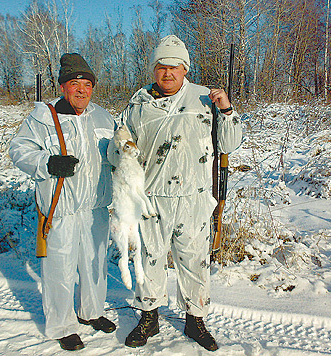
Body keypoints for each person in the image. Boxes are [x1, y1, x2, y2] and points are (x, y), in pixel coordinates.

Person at [108, 35, 242, 351]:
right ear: (154, 70)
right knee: (150, 257)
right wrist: (123, 147)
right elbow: (120, 141)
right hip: (152, 197)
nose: (168, 73)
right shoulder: (139, 102)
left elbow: (230, 144)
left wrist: (227, 110)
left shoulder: (205, 98)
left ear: (185, 69)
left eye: (175, 67)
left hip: (194, 197)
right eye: (161, 67)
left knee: (195, 260)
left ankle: (195, 321)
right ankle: (149, 316)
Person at [9, 53, 116, 351]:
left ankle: (91, 312)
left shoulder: (104, 117)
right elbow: (19, 149)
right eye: (74, 83)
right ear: (62, 86)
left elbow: (115, 153)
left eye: (87, 83)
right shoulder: (43, 117)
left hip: (95, 207)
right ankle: (62, 324)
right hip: (61, 209)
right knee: (60, 268)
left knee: (95, 263)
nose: (81, 89)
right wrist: (47, 162)